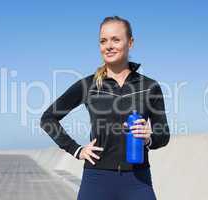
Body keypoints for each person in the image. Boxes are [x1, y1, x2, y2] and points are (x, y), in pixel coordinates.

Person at [40, 16, 170, 200]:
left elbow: (163, 135)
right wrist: (76, 149)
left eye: (115, 39)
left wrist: (149, 138)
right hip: (96, 180)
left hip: (138, 181)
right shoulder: (88, 85)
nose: (108, 46)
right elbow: (48, 118)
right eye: (103, 41)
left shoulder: (149, 86)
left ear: (130, 43)